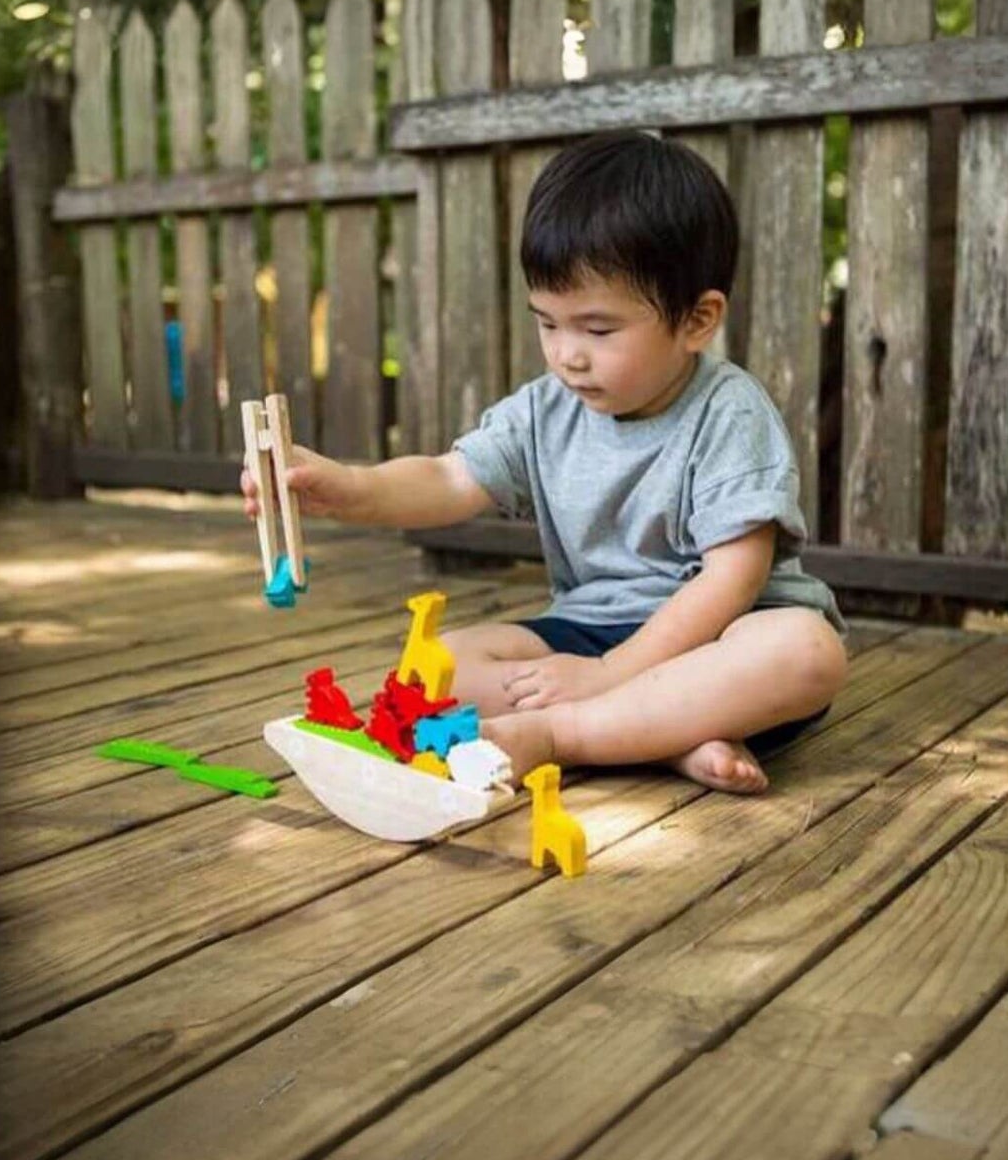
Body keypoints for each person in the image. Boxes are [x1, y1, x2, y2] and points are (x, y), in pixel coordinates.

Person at [244, 129, 847, 794]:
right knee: (433, 666)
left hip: (718, 638)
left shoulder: (728, 412)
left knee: (805, 651)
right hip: (588, 628)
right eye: (547, 323)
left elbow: (733, 576)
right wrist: (342, 487)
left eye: (596, 328)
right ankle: (663, 737)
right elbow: (448, 477)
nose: (567, 354)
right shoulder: (545, 408)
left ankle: (568, 734)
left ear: (696, 320)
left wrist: (614, 671)